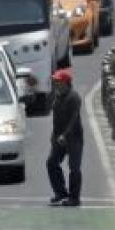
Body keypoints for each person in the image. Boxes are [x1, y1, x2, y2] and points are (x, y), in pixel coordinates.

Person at [46, 68, 83, 207]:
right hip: (59, 137)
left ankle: (74, 198)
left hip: (74, 138)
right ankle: (60, 192)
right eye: (54, 81)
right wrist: (54, 136)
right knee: (51, 163)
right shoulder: (57, 97)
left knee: (74, 168)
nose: (55, 84)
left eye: (58, 82)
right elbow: (56, 120)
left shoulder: (74, 97)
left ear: (66, 83)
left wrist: (64, 135)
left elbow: (74, 120)